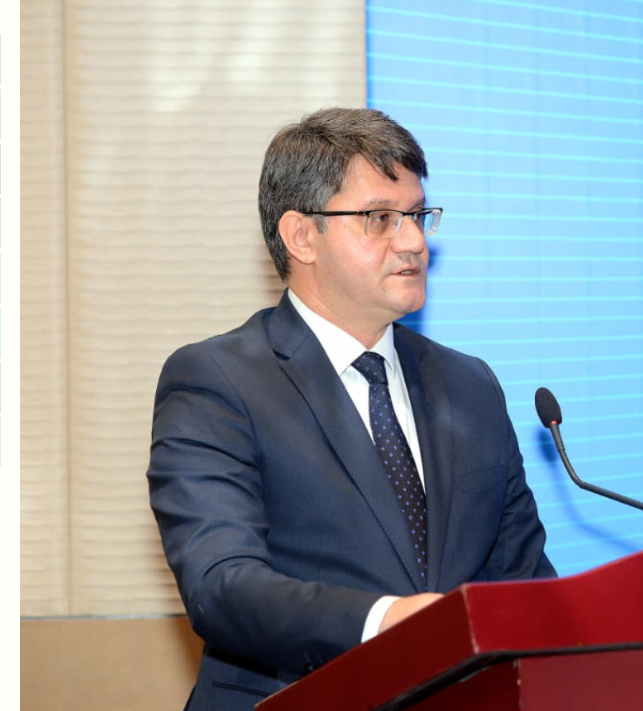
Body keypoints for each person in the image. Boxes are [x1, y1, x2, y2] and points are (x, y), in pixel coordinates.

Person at [147, 107, 556, 710]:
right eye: (380, 218)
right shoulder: (218, 381)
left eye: (418, 215)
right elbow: (223, 587)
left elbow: (523, 584)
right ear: (301, 236)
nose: (414, 241)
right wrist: (387, 619)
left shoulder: (470, 385)